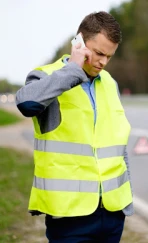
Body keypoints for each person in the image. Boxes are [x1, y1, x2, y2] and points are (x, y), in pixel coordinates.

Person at [15, 11, 133, 243]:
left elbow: (118, 145)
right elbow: (26, 103)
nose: (103, 62)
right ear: (79, 42)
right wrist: (74, 69)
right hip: (68, 218)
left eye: (109, 56)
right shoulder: (46, 77)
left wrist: (125, 204)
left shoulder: (110, 84)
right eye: (99, 53)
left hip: (112, 215)